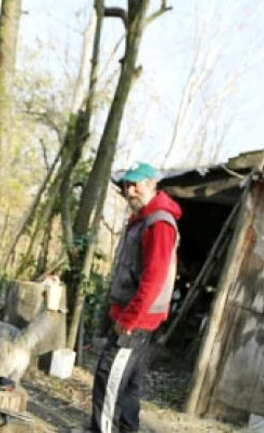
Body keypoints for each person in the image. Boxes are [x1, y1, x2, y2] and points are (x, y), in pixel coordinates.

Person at [89, 162, 182, 433]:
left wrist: (129, 319)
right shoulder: (142, 219)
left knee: (108, 382)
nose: (130, 190)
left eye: (136, 184)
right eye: (127, 185)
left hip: (135, 320)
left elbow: (154, 278)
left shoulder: (159, 224)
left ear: (152, 184)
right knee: (129, 385)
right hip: (135, 317)